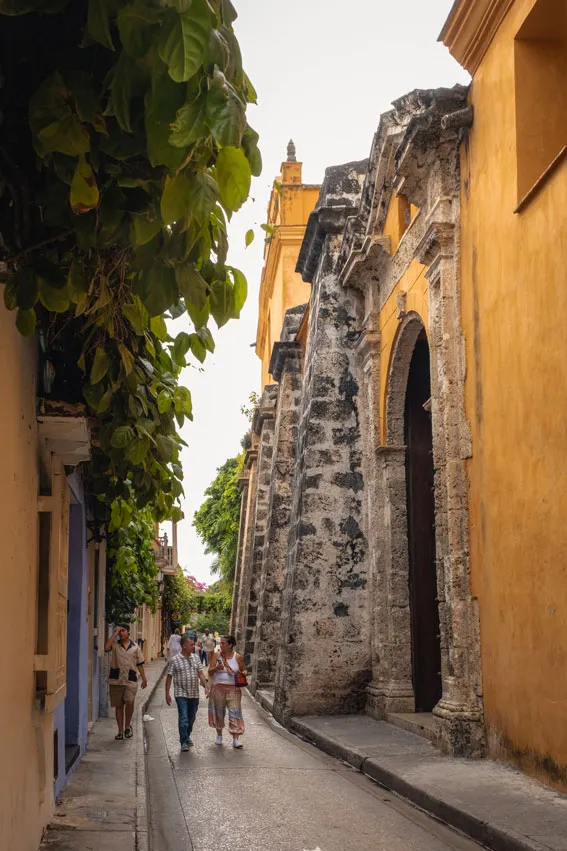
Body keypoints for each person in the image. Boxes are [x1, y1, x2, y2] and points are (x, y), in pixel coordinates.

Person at [166, 634, 209, 751]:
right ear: (184, 646)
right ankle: (183, 741)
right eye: (191, 644)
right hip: (181, 694)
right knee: (184, 718)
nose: (193, 646)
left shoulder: (195, 658)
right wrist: (167, 694)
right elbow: (169, 677)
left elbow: (200, 673)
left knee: (191, 718)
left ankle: (187, 736)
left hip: (194, 693)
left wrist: (205, 685)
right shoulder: (175, 660)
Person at [104, 624, 147, 741]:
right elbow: (106, 648)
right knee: (118, 706)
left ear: (128, 632)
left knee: (129, 701)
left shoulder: (136, 648)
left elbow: (140, 664)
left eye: (122, 631)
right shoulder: (115, 645)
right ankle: (120, 731)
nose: (120, 633)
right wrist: (114, 634)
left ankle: (128, 725)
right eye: (119, 631)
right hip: (116, 680)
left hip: (130, 680)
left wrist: (144, 678)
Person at [208, 634, 246, 749]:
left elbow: (244, 669)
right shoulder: (216, 655)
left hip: (234, 689)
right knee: (219, 713)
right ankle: (219, 735)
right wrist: (216, 668)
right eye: (220, 642)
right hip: (218, 688)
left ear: (230, 645)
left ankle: (235, 739)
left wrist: (244, 673)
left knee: (234, 712)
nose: (221, 645)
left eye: (223, 643)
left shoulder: (237, 657)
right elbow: (210, 672)